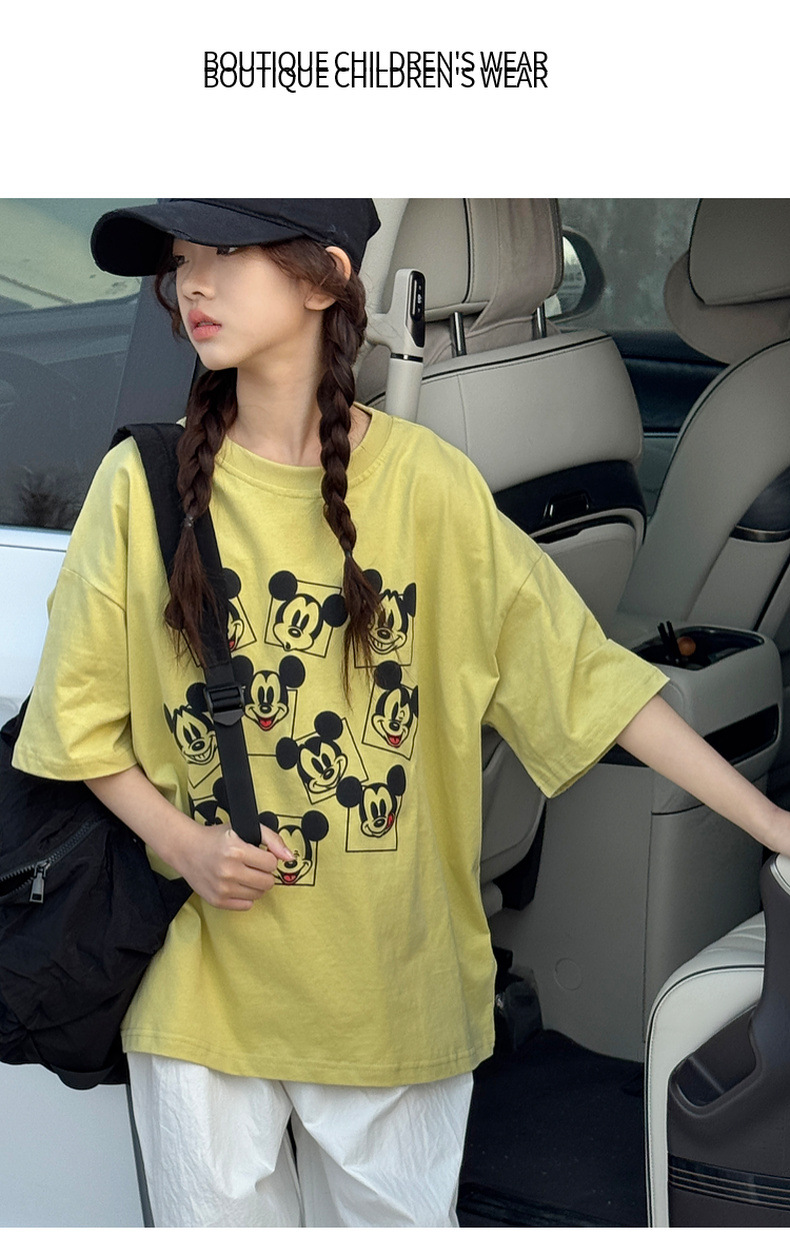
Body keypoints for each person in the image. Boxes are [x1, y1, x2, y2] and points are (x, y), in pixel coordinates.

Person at [12, 198, 790, 1227]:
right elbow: (77, 731)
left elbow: (587, 681)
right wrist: (186, 845)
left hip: (392, 990)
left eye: (229, 253)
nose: (193, 282)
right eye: (183, 259)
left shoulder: (429, 488)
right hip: (201, 997)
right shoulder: (139, 485)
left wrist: (774, 825)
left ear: (327, 277)